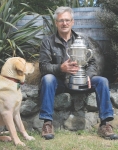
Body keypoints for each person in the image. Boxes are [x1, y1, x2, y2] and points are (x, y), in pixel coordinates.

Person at [38, 6, 118, 140]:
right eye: (61, 20)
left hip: (81, 81)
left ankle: (105, 124)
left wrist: (88, 76)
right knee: (47, 79)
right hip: (60, 83)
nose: (64, 23)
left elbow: (92, 63)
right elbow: (43, 66)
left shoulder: (82, 40)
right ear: (56, 23)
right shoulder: (48, 42)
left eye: (67, 20)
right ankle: (47, 123)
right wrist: (60, 68)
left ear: (73, 22)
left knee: (102, 81)